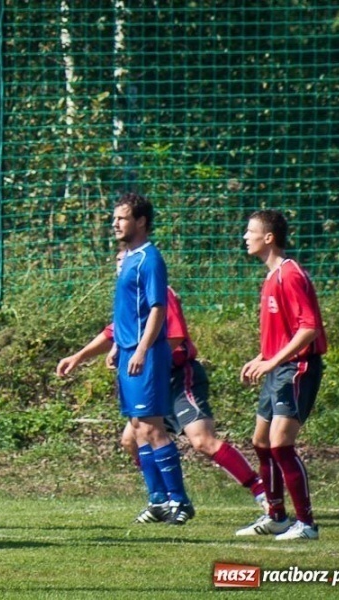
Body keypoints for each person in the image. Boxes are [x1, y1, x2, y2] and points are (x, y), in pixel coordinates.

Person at [57, 252, 266, 523]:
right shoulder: (129, 298)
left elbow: (176, 335)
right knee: (131, 439)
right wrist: (79, 357)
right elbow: (111, 334)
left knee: (202, 441)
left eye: (128, 261)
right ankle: (161, 500)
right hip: (151, 378)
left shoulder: (160, 292)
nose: (122, 266)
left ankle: (261, 491)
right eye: (119, 263)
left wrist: (145, 357)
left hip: (179, 375)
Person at [92, 193, 193, 523]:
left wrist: (141, 349)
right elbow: (127, 312)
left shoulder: (150, 258)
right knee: (136, 429)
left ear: (141, 222)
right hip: (129, 352)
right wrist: (117, 347)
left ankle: (180, 501)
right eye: (115, 218)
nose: (115, 223)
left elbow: (157, 308)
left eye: (121, 218)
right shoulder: (127, 259)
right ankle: (158, 500)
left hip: (145, 353)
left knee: (152, 427)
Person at [235, 209, 326, 540]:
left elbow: (310, 329)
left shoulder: (290, 274)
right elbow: (284, 331)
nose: (245, 237)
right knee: (261, 442)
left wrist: (273, 363)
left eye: (250, 231)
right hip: (278, 367)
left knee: (280, 444)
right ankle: (276, 516)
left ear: (268, 238)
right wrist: (262, 356)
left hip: (297, 368)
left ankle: (307, 524)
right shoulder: (271, 277)